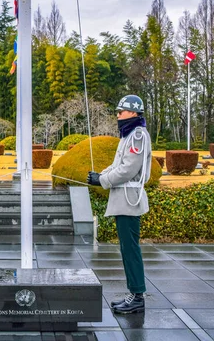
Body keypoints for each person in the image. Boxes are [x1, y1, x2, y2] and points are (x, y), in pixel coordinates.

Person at [87, 94, 152, 314]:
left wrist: (102, 181)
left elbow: (128, 170)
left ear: (133, 113)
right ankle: (134, 294)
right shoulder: (130, 134)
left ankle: (137, 296)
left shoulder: (137, 136)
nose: (118, 115)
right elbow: (118, 165)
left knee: (130, 250)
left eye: (121, 111)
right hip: (123, 198)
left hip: (128, 199)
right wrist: (100, 175)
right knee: (127, 249)